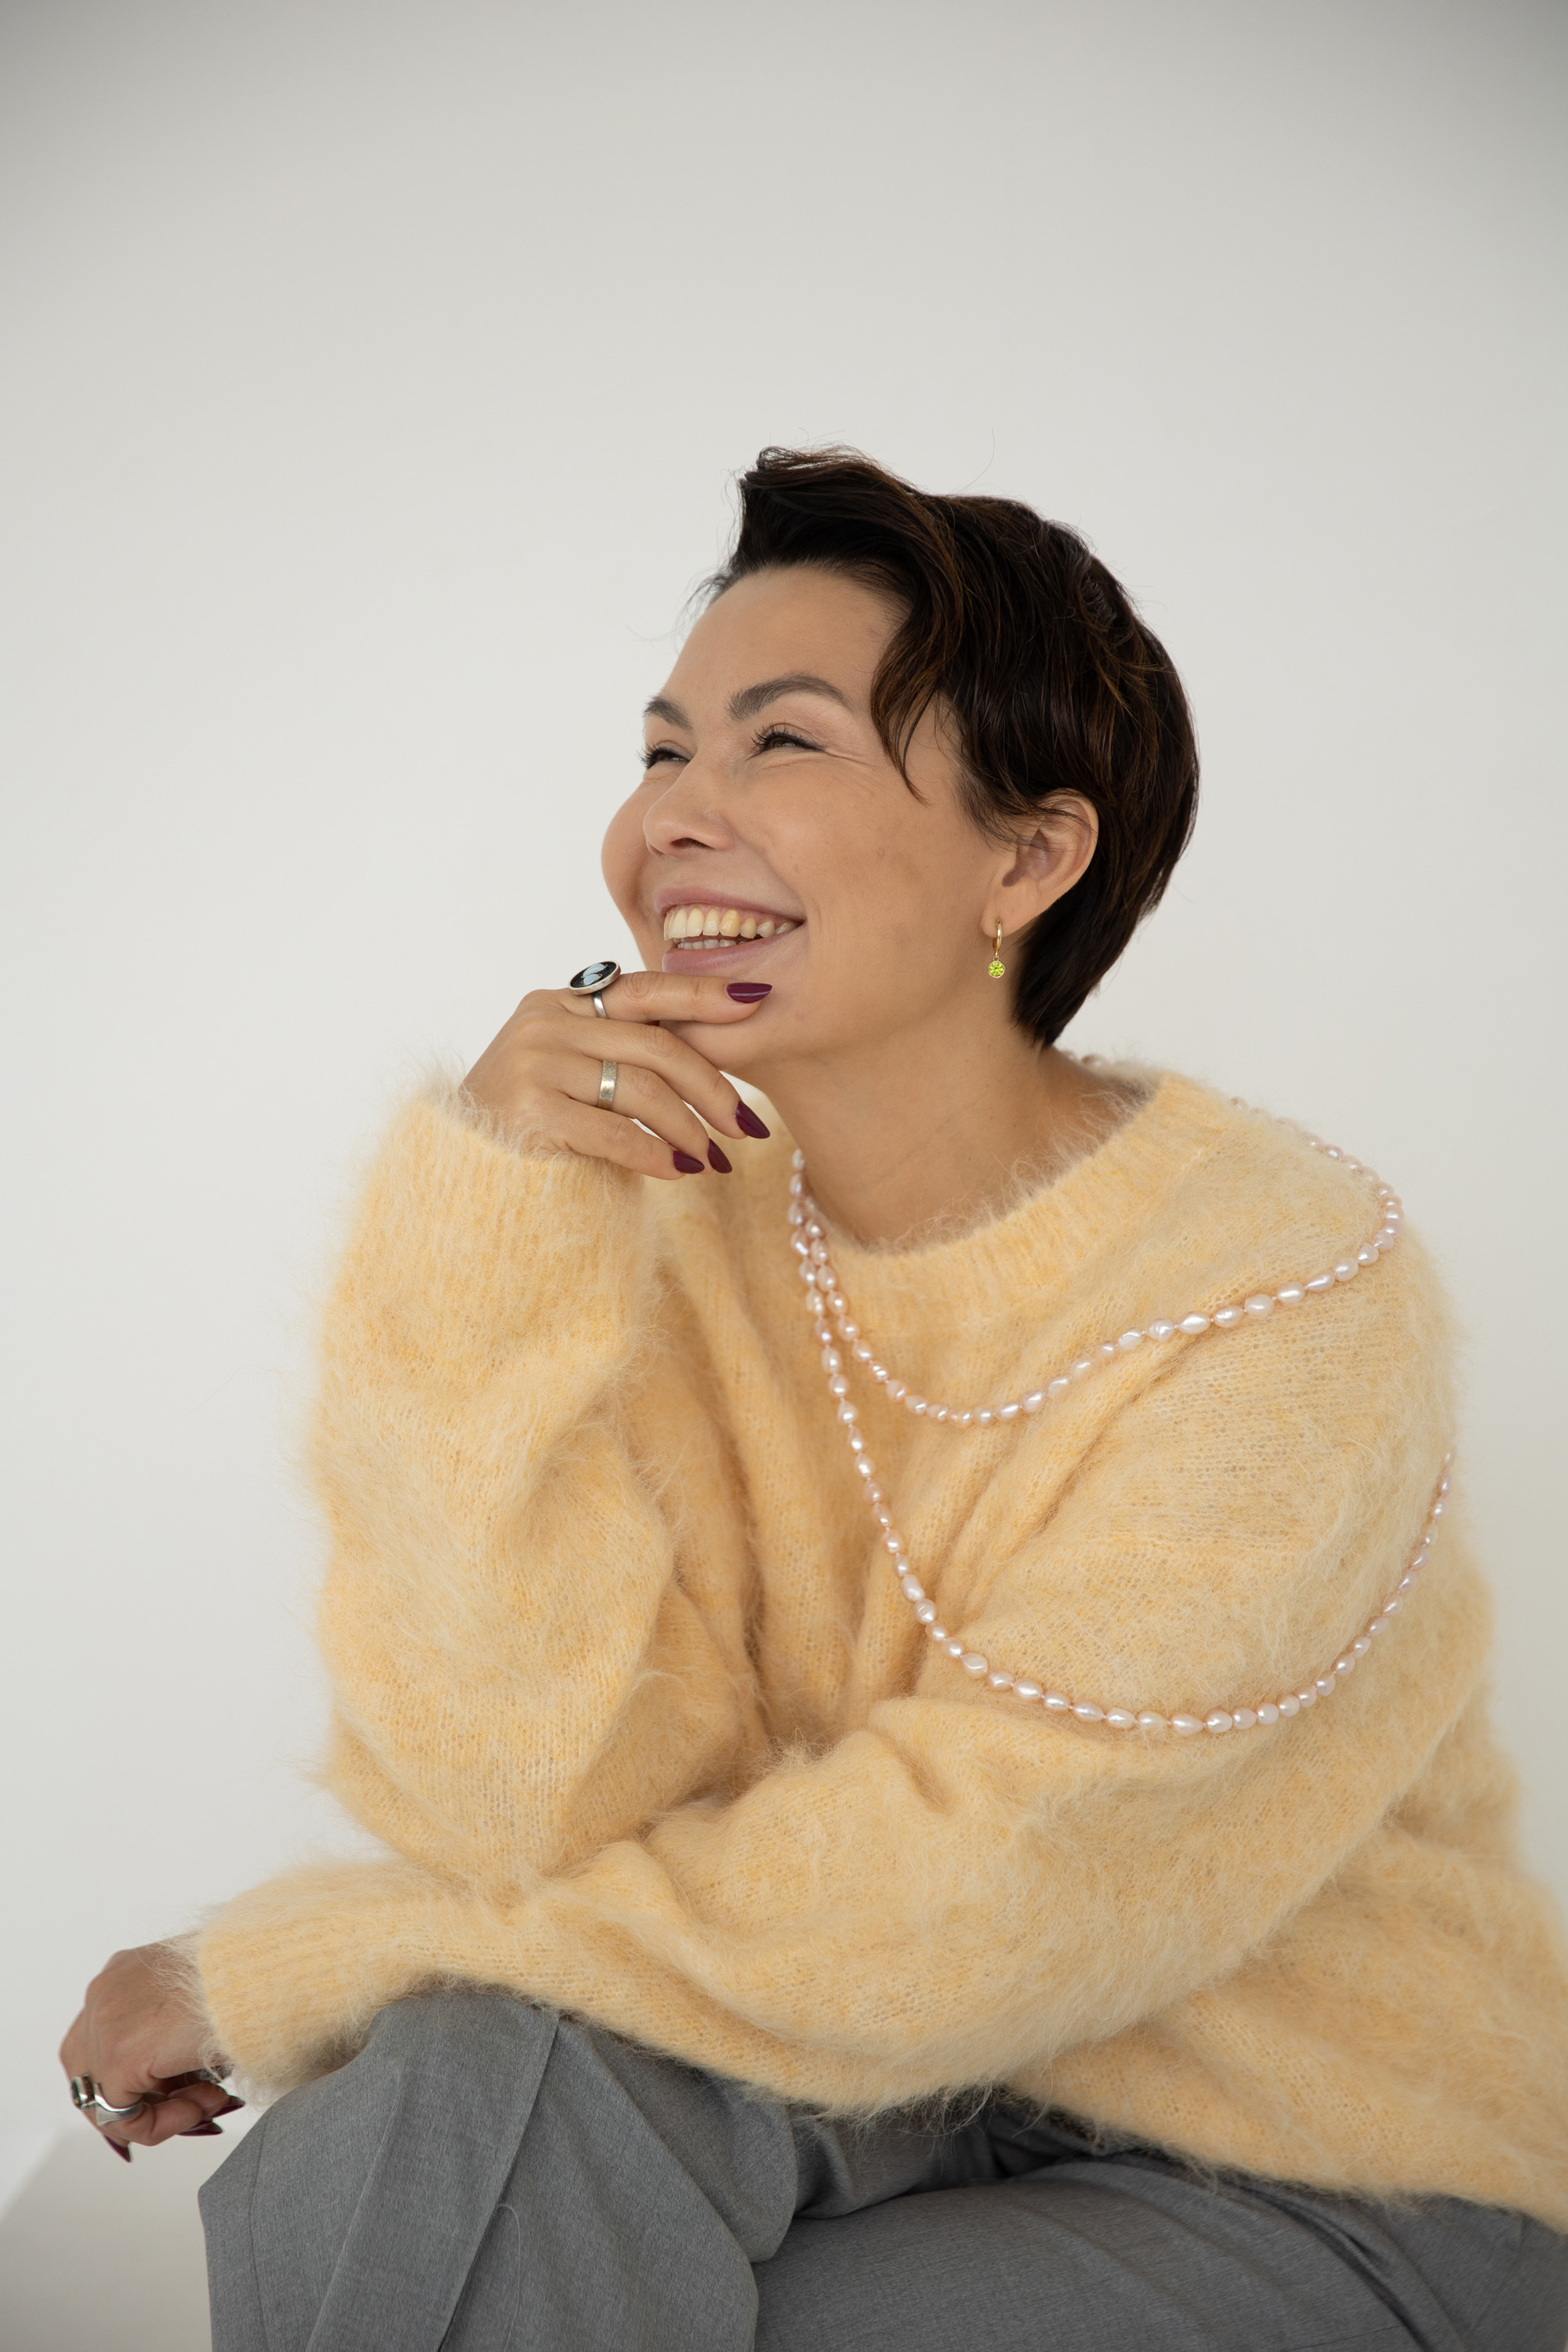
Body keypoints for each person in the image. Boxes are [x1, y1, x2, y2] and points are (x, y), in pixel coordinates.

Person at [60, 448, 1568, 2350]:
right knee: (461, 2098)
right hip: (830, 2079)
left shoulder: (1288, 1288)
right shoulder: (673, 1231)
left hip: (1308, 2161)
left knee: (561, 2272)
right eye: (659, 750)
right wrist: (487, 1228)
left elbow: (981, 1898)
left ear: (1026, 858)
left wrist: (288, 1966)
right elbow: (515, 1806)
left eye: (779, 743)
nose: (670, 819)